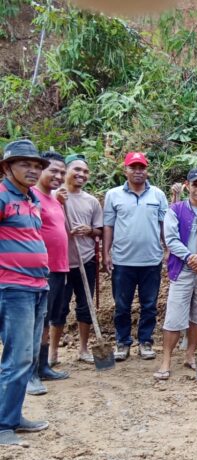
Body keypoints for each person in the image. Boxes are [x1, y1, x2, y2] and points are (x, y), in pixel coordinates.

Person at [0, 139, 52, 447]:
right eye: (24, 165)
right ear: (7, 167)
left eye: (36, 166)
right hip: (13, 287)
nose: (33, 170)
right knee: (16, 358)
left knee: (27, 356)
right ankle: (3, 424)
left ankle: (14, 415)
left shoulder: (30, 198)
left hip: (36, 286)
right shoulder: (3, 196)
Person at [153, 168, 197, 379]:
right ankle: (166, 361)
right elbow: (171, 239)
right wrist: (191, 258)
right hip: (184, 271)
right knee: (174, 318)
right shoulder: (175, 210)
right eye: (196, 185)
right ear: (188, 185)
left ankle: (191, 355)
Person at [103, 151, 169, 361]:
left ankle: (146, 341)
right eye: (134, 167)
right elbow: (108, 225)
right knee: (122, 306)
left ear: (147, 170)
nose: (138, 171)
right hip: (123, 261)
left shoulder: (157, 194)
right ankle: (122, 343)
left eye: (142, 167)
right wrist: (106, 252)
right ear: (126, 170)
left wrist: (167, 250)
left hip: (151, 260)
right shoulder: (113, 195)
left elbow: (163, 225)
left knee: (149, 305)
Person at [48, 155, 103, 366]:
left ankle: (83, 349)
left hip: (85, 260)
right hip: (59, 263)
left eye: (86, 171)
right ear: (65, 172)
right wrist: (57, 202)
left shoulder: (91, 201)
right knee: (58, 308)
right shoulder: (52, 196)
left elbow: (100, 229)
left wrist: (90, 230)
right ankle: (52, 352)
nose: (81, 174)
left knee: (85, 306)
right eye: (77, 170)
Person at [27, 152, 70, 395]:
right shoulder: (32, 198)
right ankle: (30, 372)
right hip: (38, 271)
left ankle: (43, 366)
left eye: (62, 172)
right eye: (53, 170)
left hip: (57, 268)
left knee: (48, 320)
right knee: (35, 322)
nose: (58, 176)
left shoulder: (54, 199)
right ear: (42, 170)